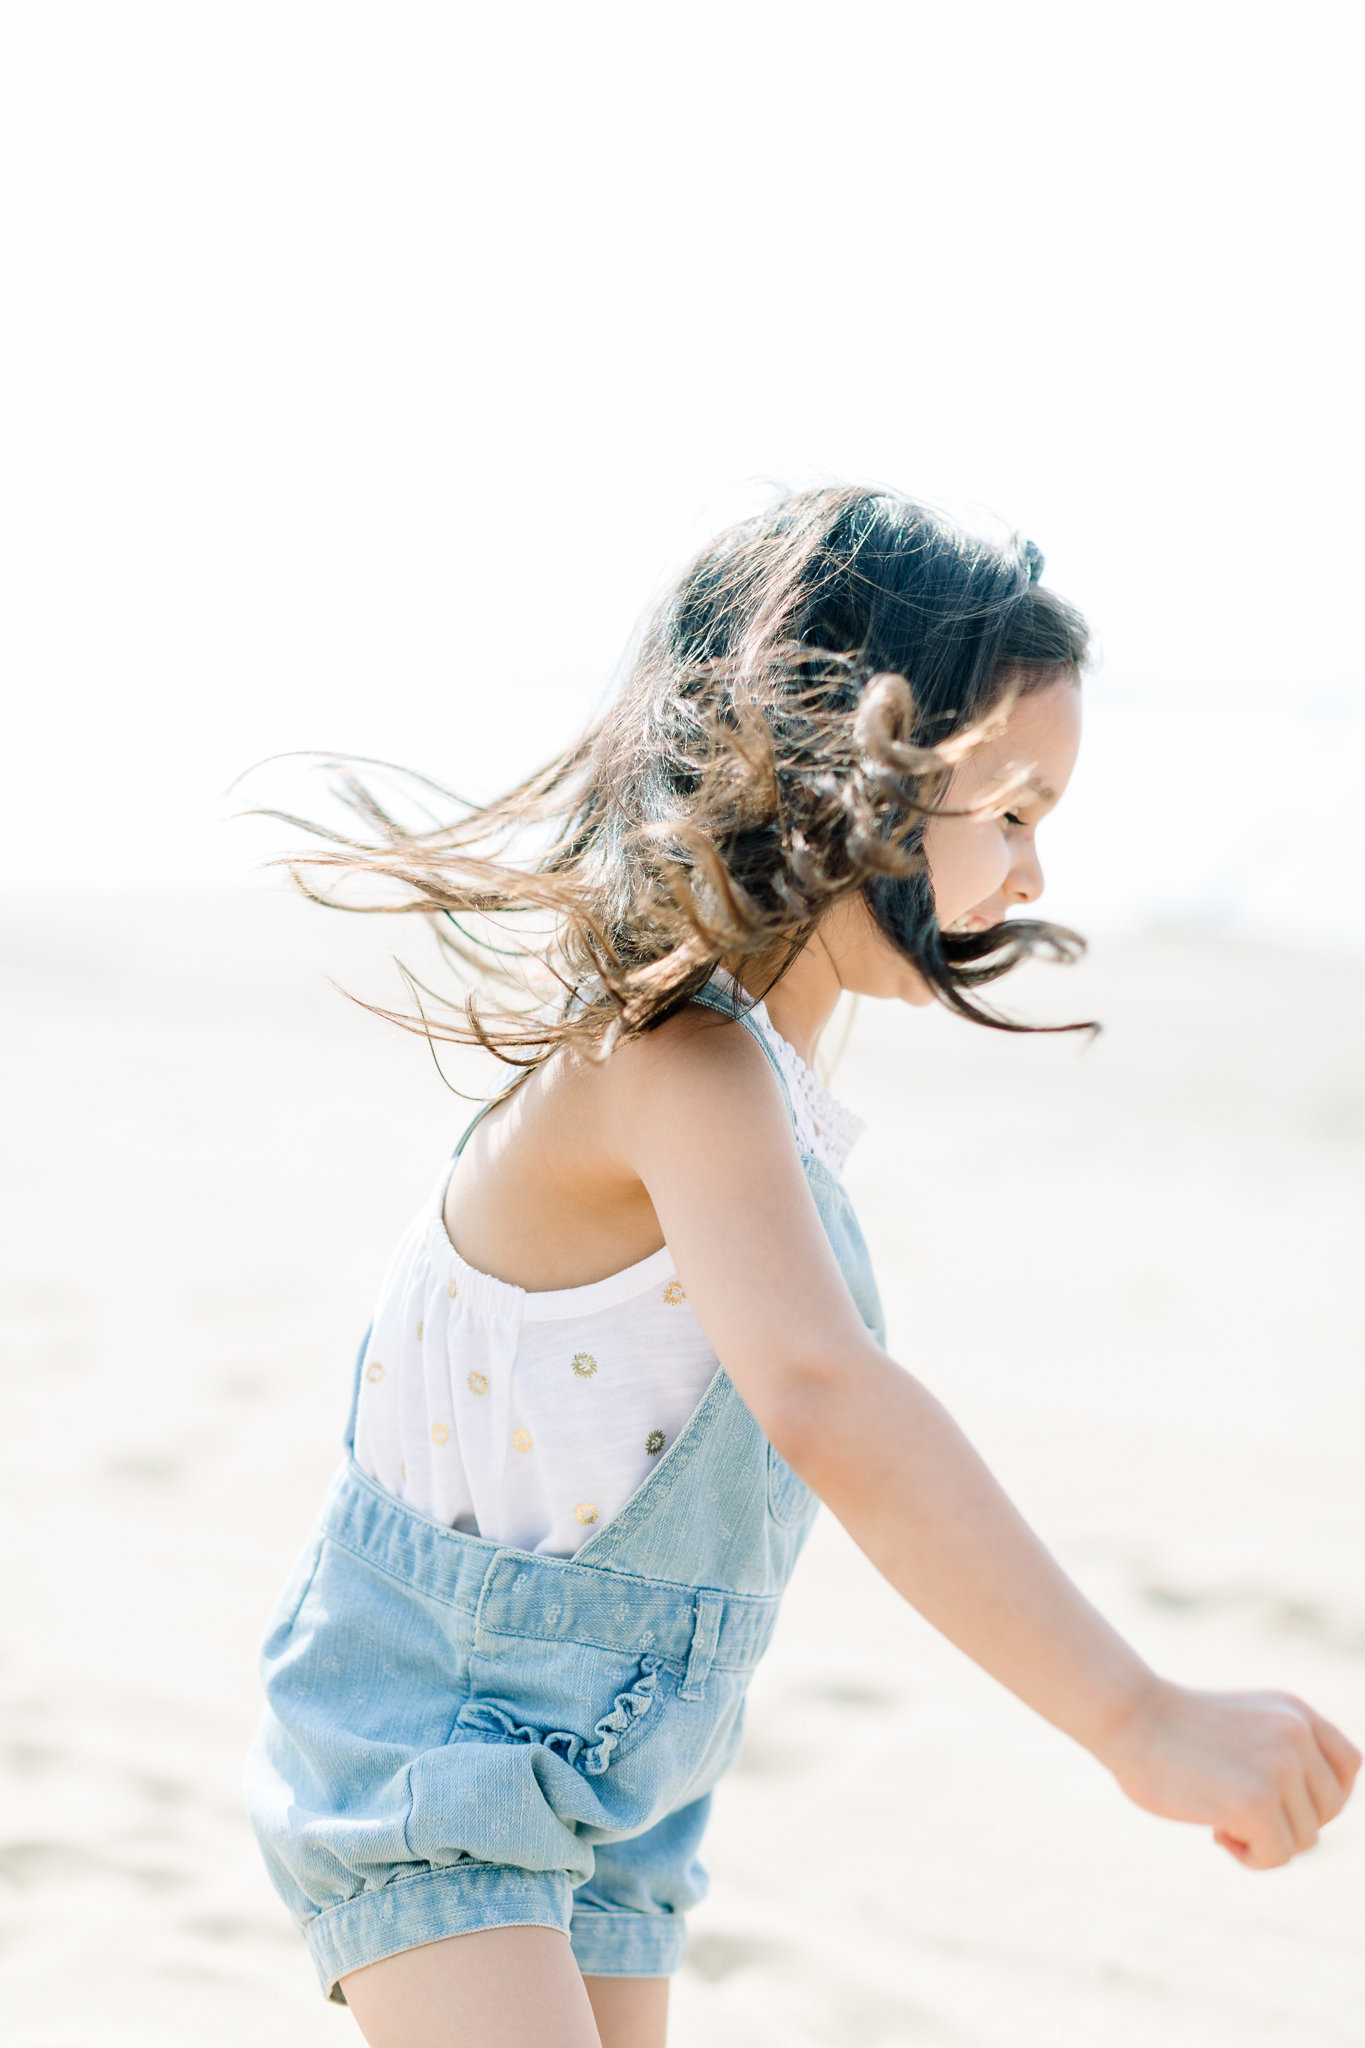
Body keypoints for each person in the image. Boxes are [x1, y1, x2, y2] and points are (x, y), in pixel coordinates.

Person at [244, 487, 1359, 2048]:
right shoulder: (673, 1068)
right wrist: (1135, 1716)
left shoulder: (765, 1099)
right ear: (862, 783)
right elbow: (831, 1404)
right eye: (1013, 809)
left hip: (631, 1765)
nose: (1028, 879)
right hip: (438, 1736)